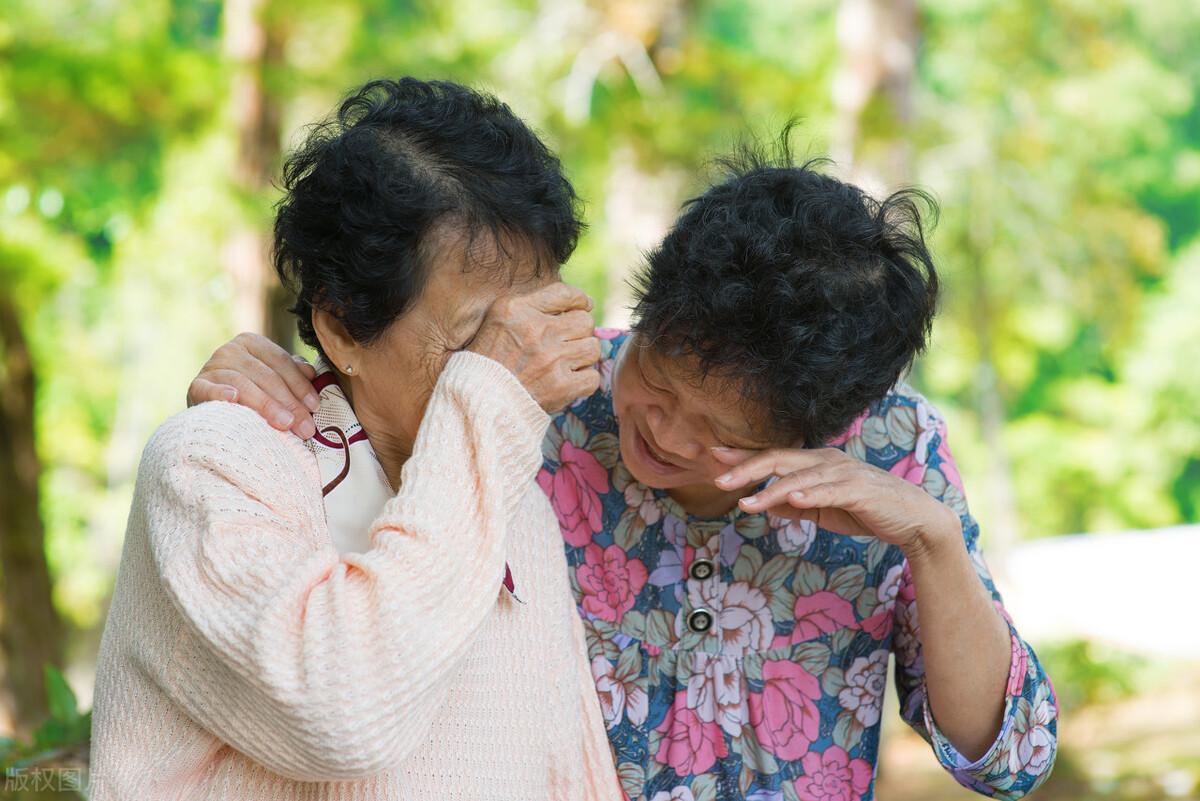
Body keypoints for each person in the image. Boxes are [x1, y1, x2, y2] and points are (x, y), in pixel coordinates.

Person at [189, 141, 1059, 799]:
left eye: (722, 431)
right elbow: (375, 394)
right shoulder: (543, 393)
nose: (664, 433)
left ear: (831, 430)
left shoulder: (897, 451)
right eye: (655, 376)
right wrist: (266, 377)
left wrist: (934, 543)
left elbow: (1010, 760)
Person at [89, 78, 624, 801]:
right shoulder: (212, 462)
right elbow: (344, 716)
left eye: (529, 324)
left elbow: (568, 766)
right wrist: (488, 402)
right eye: (478, 339)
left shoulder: (511, 495)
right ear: (342, 326)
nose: (518, 364)